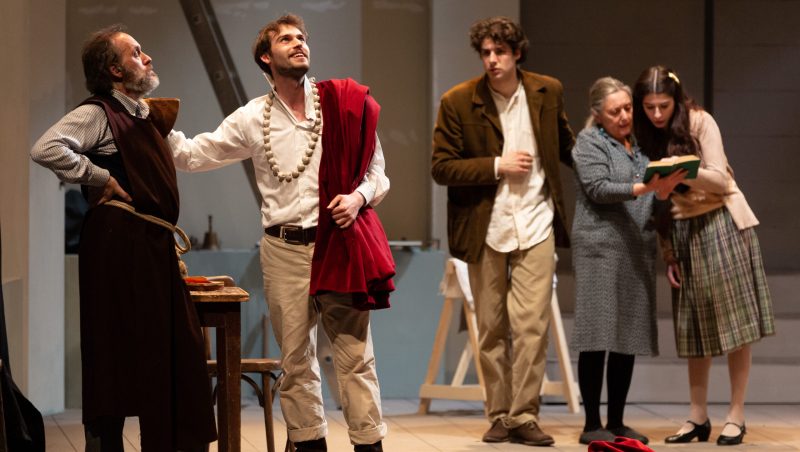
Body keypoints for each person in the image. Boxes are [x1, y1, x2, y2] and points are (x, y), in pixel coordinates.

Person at [168, 14, 394, 452]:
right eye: (286, 39)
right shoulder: (254, 116)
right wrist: (152, 125)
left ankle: (369, 446)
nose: (298, 43)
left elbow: (377, 173)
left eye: (302, 37)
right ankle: (310, 446)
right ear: (266, 58)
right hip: (283, 249)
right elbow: (195, 154)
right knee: (295, 362)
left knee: (355, 358)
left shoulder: (341, 103)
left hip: (337, 243)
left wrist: (358, 198)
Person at [30, 25, 217, 451]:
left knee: (170, 356)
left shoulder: (144, 115)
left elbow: (186, 154)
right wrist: (98, 177)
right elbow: (47, 147)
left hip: (149, 247)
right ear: (114, 70)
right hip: (117, 248)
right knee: (115, 355)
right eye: (135, 53)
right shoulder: (100, 113)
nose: (146, 57)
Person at [431, 16, 575, 447]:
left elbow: (568, 146)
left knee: (531, 325)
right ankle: (498, 414)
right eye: (486, 53)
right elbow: (442, 167)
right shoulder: (458, 101)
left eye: (500, 52)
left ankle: (524, 415)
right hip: (485, 225)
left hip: (536, 220)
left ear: (517, 53)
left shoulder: (547, 91)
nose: (492, 60)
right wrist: (497, 165)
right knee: (491, 326)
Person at [632, 66, 775, 446]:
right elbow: (658, 202)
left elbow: (721, 179)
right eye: (649, 106)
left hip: (720, 222)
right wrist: (668, 251)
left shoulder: (699, 121)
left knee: (735, 326)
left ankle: (736, 414)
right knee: (693, 326)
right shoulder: (646, 133)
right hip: (682, 229)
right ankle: (697, 416)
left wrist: (680, 172)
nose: (657, 114)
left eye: (663, 106)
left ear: (676, 100)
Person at [570, 77, 686, 445]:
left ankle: (617, 421)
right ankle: (592, 422)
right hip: (600, 249)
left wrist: (661, 192)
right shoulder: (588, 142)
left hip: (635, 247)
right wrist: (644, 188)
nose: (624, 116)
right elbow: (598, 188)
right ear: (597, 114)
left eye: (627, 108)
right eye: (614, 111)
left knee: (626, 334)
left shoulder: (638, 146)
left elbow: (651, 201)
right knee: (597, 333)